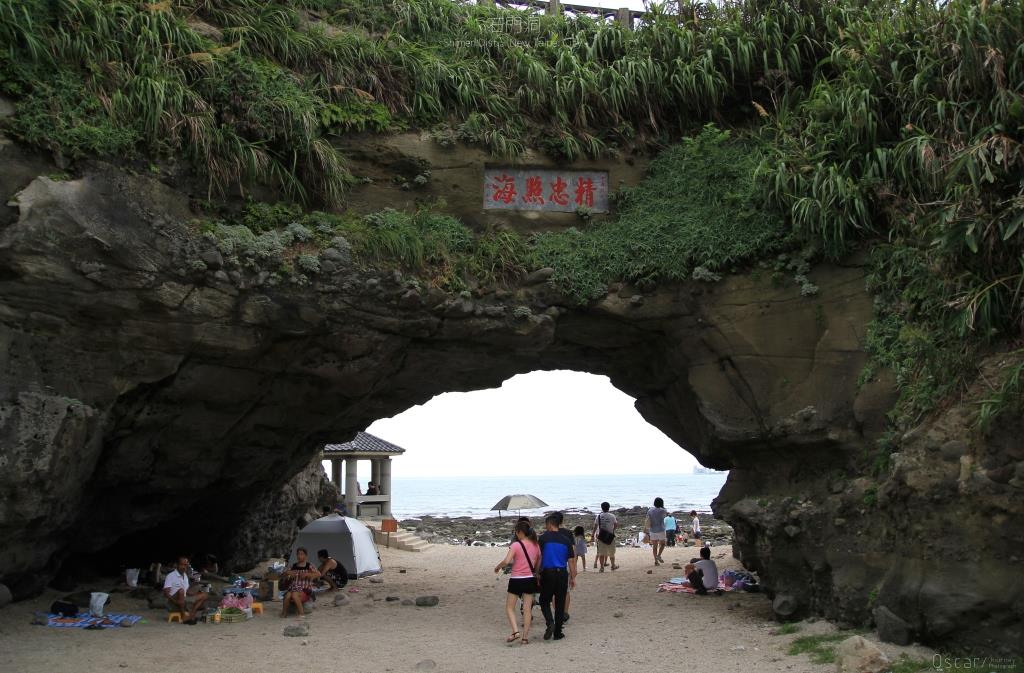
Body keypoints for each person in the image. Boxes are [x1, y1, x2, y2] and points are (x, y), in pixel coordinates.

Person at [493, 520, 541, 645]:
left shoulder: (516, 545)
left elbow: (507, 561)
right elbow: (538, 563)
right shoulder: (536, 545)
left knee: (509, 607)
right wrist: (535, 573)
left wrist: (497, 567)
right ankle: (525, 638)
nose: (515, 534)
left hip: (516, 579)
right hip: (530, 579)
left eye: (516, 532)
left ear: (520, 532)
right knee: (527, 609)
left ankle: (515, 632)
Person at [538, 512, 575, 641]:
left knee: (544, 601)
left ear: (549, 524)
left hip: (548, 572)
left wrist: (537, 572)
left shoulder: (543, 538)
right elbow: (571, 560)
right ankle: (558, 632)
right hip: (562, 573)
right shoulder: (566, 540)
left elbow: (539, 557)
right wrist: (573, 577)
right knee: (560, 603)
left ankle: (550, 622)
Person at [163, 556, 208, 624]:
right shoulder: (170, 576)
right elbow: (166, 593)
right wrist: (176, 602)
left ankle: (191, 615)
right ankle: (184, 616)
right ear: (177, 565)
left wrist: (196, 593)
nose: (184, 567)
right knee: (181, 591)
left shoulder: (185, 576)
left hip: (184, 600)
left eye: (185, 565)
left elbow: (186, 591)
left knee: (204, 595)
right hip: (173, 603)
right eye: (182, 564)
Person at [280, 547, 320, 617]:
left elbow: (319, 574)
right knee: (287, 596)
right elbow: (282, 575)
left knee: (294, 595)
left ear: (306, 556)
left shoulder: (309, 565)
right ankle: (284, 613)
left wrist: (307, 574)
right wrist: (288, 573)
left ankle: (301, 613)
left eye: (301, 554)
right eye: (298, 554)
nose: (299, 556)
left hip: (305, 589)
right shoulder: (293, 566)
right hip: (294, 588)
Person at [592, 501, 619, 572]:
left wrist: (592, 535)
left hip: (601, 536)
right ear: (609, 508)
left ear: (602, 508)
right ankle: (613, 566)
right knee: (612, 552)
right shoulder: (612, 516)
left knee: (601, 553)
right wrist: (612, 530)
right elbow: (616, 525)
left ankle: (601, 568)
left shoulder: (598, 516)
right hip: (610, 536)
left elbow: (595, 526)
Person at [644, 497, 669, 565]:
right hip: (661, 529)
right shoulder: (663, 510)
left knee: (654, 546)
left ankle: (656, 561)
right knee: (663, 544)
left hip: (652, 530)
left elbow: (647, 520)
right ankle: (659, 555)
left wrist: (645, 529)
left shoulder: (650, 510)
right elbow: (665, 514)